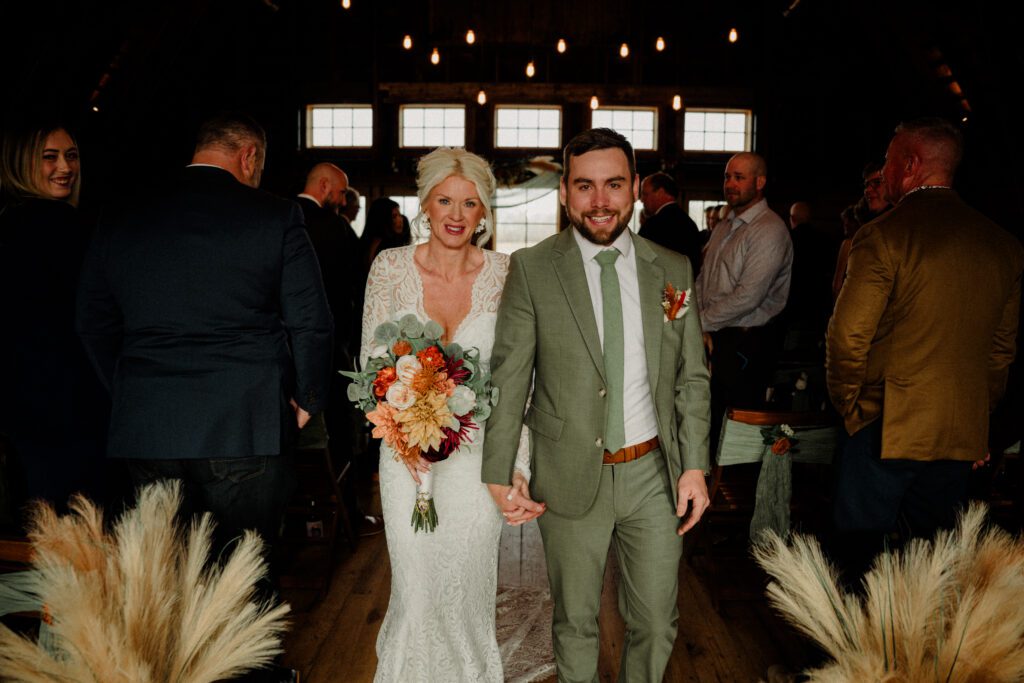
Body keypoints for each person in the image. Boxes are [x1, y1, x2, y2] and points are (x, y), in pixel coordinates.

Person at [482, 128, 711, 682]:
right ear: (565, 192)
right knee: (575, 622)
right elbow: (510, 377)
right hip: (567, 474)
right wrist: (498, 470)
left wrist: (696, 466)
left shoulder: (673, 268)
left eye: (613, 185)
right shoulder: (533, 268)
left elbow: (691, 377)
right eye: (585, 186)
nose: (600, 201)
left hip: (654, 474)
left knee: (656, 621)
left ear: (635, 187)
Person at [76, 113, 333, 557]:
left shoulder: (121, 216)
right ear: (249, 156)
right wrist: (308, 398)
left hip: (148, 422)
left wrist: (127, 388)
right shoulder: (276, 216)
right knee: (244, 578)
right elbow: (311, 320)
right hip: (245, 421)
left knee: (160, 580)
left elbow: (92, 321)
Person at [361, 147, 536, 682]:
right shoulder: (389, 268)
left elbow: (520, 384)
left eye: (470, 203)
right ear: (426, 205)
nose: (457, 214)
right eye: (445, 200)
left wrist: (517, 467)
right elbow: (370, 368)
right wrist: (401, 439)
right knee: (415, 589)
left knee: (466, 589)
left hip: (482, 461)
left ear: (485, 212)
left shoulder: (507, 274)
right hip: (407, 461)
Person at [827, 118, 1023, 578]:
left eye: (891, 161)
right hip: (957, 431)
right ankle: (922, 650)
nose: (886, 172)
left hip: (885, 423)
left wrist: (851, 408)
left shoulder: (882, 235)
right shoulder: (1004, 245)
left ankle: (860, 650)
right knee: (933, 565)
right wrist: (978, 413)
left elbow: (846, 336)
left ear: (910, 164)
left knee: (857, 561)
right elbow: (1000, 352)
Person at [0, 124, 111, 518]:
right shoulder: (64, 226)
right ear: (20, 162)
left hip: (23, 408)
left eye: (71, 155)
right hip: (70, 407)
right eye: (49, 157)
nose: (65, 167)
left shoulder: (8, 223)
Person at [697, 152, 792, 439]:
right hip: (715, 334)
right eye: (727, 176)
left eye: (739, 177)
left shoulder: (769, 229)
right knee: (709, 419)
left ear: (760, 182)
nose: (730, 184)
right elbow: (704, 278)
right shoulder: (725, 225)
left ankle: (733, 483)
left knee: (735, 428)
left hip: (746, 341)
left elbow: (748, 297)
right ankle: (708, 482)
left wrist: (698, 322)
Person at [638, 171, 703, 274]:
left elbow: (640, 263)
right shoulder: (689, 224)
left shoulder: (654, 225)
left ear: (660, 193)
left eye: (645, 194)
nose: (641, 200)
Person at [361, 197, 409, 268]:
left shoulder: (395, 243)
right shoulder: (389, 246)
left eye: (400, 215)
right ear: (383, 219)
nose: (400, 220)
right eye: (394, 216)